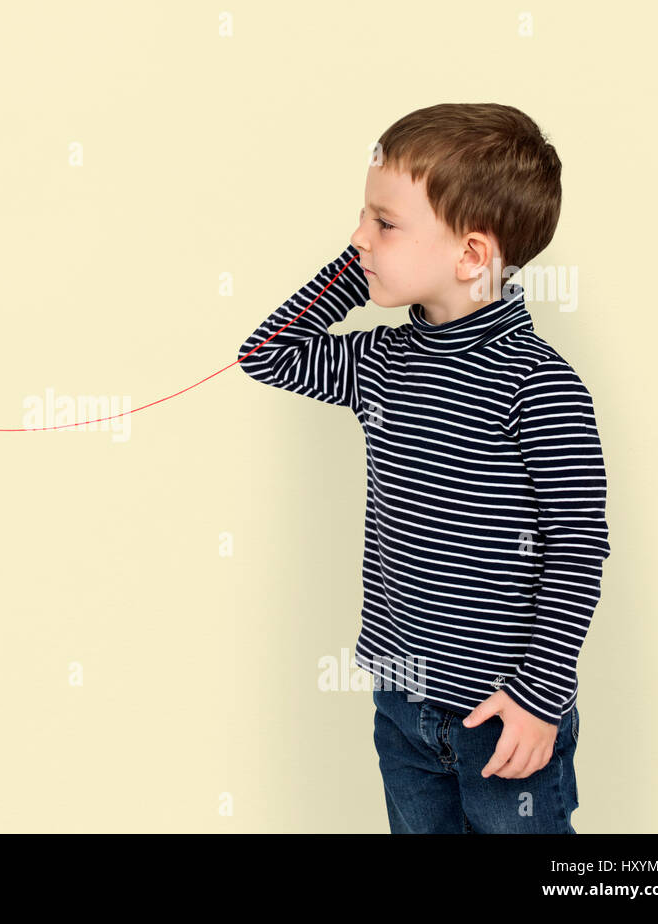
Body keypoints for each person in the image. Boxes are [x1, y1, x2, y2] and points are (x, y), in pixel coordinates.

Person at [237, 104, 609, 833]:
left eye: (383, 223)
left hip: (504, 714)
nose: (357, 237)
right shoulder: (382, 362)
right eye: (362, 219)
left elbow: (577, 548)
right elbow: (266, 353)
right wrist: (361, 268)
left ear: (471, 256)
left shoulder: (539, 385)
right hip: (402, 704)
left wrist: (539, 696)